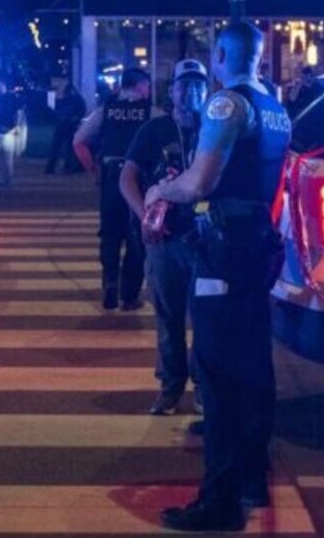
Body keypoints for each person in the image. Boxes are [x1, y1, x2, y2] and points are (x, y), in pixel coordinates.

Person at [145, 23, 292, 532]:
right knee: (253, 364)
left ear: (223, 55)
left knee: (218, 372)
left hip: (224, 248)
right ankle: (252, 479)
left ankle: (219, 502)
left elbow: (201, 182)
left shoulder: (227, 104)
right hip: (257, 243)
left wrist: (160, 192)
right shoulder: (274, 106)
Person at [119, 60, 208, 416]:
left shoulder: (214, 129)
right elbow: (127, 178)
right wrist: (144, 215)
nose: (191, 92)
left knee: (204, 318)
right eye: (184, 85)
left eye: (198, 85)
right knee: (168, 317)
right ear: (171, 91)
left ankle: (203, 387)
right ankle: (170, 387)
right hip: (164, 240)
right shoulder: (154, 130)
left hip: (204, 239)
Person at [73, 67, 151, 311]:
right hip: (139, 180)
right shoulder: (151, 112)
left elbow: (79, 142)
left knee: (110, 233)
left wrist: (94, 170)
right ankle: (130, 295)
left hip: (111, 176)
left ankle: (110, 283)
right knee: (136, 235)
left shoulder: (105, 110)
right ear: (140, 86)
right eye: (147, 86)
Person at [0, 80, 23, 187]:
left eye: (0, 86)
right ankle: (1, 180)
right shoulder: (9, 99)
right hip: (1, 132)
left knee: (3, 159)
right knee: (1, 159)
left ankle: (3, 180)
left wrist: (16, 126)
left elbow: (17, 113)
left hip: (4, 131)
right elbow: (18, 113)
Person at [46, 83, 87, 174]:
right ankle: (67, 167)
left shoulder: (64, 100)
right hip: (70, 125)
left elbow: (55, 111)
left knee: (57, 147)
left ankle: (52, 167)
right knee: (69, 147)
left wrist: (60, 118)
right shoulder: (77, 99)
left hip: (63, 124)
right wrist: (76, 119)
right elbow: (82, 110)